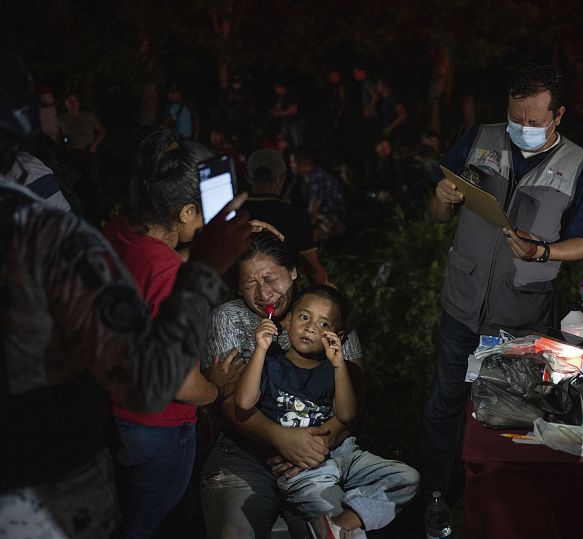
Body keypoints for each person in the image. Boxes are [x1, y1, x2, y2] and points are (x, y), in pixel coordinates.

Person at [0, 51, 253, 538]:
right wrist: (216, 384)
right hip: (61, 476)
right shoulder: (51, 238)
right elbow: (160, 380)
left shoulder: (115, 233)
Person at [417, 62, 583, 497]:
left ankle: (499, 497)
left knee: (513, 407)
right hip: (462, 305)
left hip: (520, 314)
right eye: (515, 117)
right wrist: (442, 199)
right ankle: (434, 494)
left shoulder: (579, 165)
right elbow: (439, 216)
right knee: (445, 402)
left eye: (535, 121)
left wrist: (541, 251)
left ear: (558, 116)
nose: (522, 127)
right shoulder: (480, 138)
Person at [102, 127, 245, 538]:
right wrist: (215, 390)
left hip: (115, 412)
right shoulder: (166, 273)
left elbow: (155, 267)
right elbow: (183, 385)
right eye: (206, 212)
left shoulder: (120, 230)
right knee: (149, 524)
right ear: (185, 213)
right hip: (158, 427)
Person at [200, 233, 364, 538]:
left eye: (271, 278)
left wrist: (313, 448)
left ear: (293, 272)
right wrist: (281, 438)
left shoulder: (330, 312)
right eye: (250, 283)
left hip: (318, 460)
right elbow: (229, 401)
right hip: (243, 456)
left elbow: (352, 398)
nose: (263, 293)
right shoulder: (228, 319)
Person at [234, 285, 418, 538]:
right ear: (287, 321)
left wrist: (339, 364)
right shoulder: (271, 364)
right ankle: (338, 526)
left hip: (344, 454)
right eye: (304, 317)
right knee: (350, 535)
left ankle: (342, 522)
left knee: (406, 477)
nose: (311, 328)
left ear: (338, 336)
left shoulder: (334, 370)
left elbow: (346, 415)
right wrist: (261, 350)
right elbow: (243, 402)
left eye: (323, 325)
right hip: (305, 470)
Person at [244, 149, 331, 286]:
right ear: (283, 178)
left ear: (248, 177)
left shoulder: (235, 215)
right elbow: (313, 270)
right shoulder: (294, 215)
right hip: (285, 296)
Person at [289, 148, 347, 243]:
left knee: (303, 236)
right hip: (323, 217)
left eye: (292, 162)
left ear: (302, 164)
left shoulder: (317, 179)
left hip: (334, 218)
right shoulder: (303, 178)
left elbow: (313, 213)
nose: (291, 166)